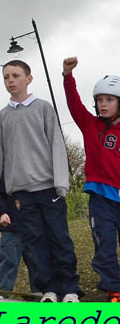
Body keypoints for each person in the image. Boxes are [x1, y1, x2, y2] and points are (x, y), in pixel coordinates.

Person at [0, 59, 80, 302]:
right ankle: (49, 290)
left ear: (28, 79)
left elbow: (57, 145)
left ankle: (70, 290)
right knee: (35, 245)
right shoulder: (2, 117)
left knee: (59, 239)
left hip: (48, 189)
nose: (10, 81)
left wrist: (61, 182)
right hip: (21, 194)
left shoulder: (43, 108)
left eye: (15, 75)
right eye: (6, 77)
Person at [62, 57, 120, 302]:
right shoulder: (90, 124)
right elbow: (74, 105)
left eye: (109, 99)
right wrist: (67, 76)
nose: (103, 104)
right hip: (100, 198)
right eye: (99, 100)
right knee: (104, 245)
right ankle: (113, 288)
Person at [0, 175, 38, 294]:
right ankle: (2, 292)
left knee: (37, 262)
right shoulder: (4, 173)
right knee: (8, 261)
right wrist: (2, 213)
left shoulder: (34, 171)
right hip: (11, 228)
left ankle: (39, 292)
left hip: (33, 228)